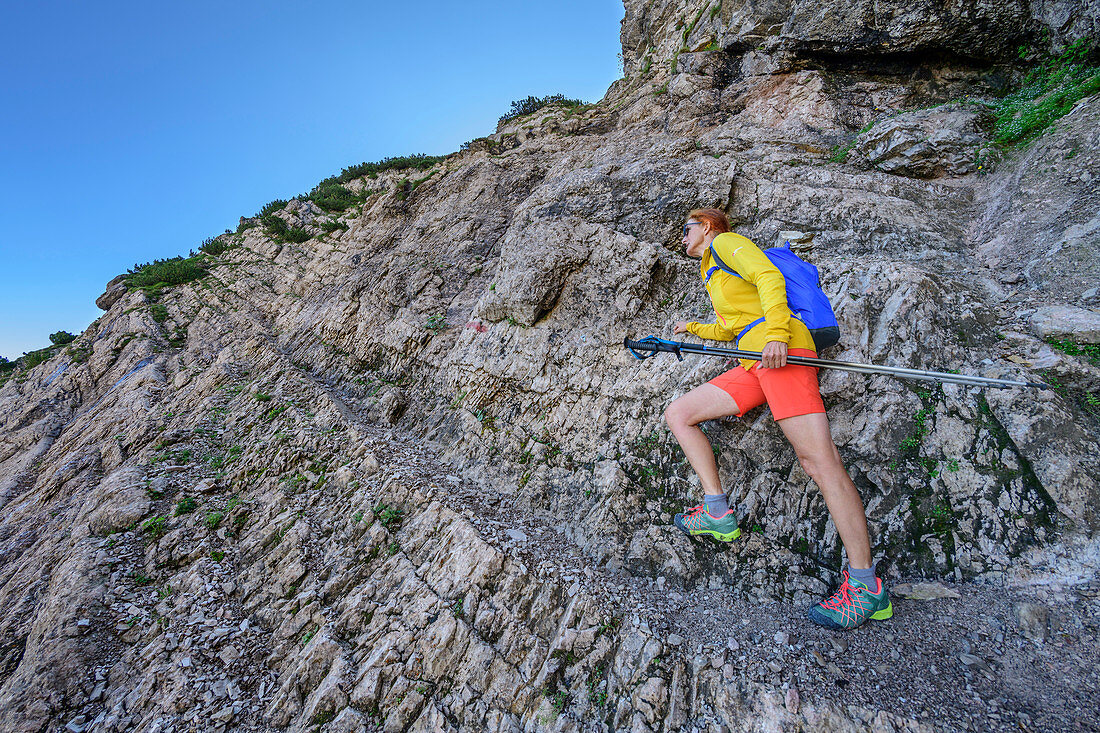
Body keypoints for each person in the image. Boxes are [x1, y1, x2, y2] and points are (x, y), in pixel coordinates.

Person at [663, 208, 892, 630]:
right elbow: (731, 328)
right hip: (753, 360)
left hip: (781, 354)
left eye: (685, 227)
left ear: (707, 225)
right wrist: (691, 328)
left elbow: (769, 276)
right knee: (679, 413)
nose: (682, 238)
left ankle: (866, 586)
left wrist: (777, 336)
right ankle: (717, 512)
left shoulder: (726, 244)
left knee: (819, 463)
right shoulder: (711, 271)